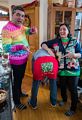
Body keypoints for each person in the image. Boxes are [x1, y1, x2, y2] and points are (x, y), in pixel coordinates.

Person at [41, 23, 82, 116]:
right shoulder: (56, 41)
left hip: (73, 69)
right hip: (61, 70)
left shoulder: (74, 41)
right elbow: (43, 44)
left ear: (68, 31)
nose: (62, 31)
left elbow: (80, 53)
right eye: (60, 30)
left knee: (73, 89)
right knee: (62, 87)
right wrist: (48, 50)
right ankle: (64, 100)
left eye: (64, 29)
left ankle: (73, 108)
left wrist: (74, 55)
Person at [1, 6, 37, 110]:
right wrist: (20, 46)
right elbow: (6, 48)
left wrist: (32, 30)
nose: (20, 18)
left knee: (20, 78)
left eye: (22, 16)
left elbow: (27, 31)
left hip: (24, 59)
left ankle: (20, 93)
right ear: (12, 14)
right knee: (16, 82)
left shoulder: (21, 26)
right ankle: (16, 102)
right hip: (16, 62)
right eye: (18, 15)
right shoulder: (6, 29)